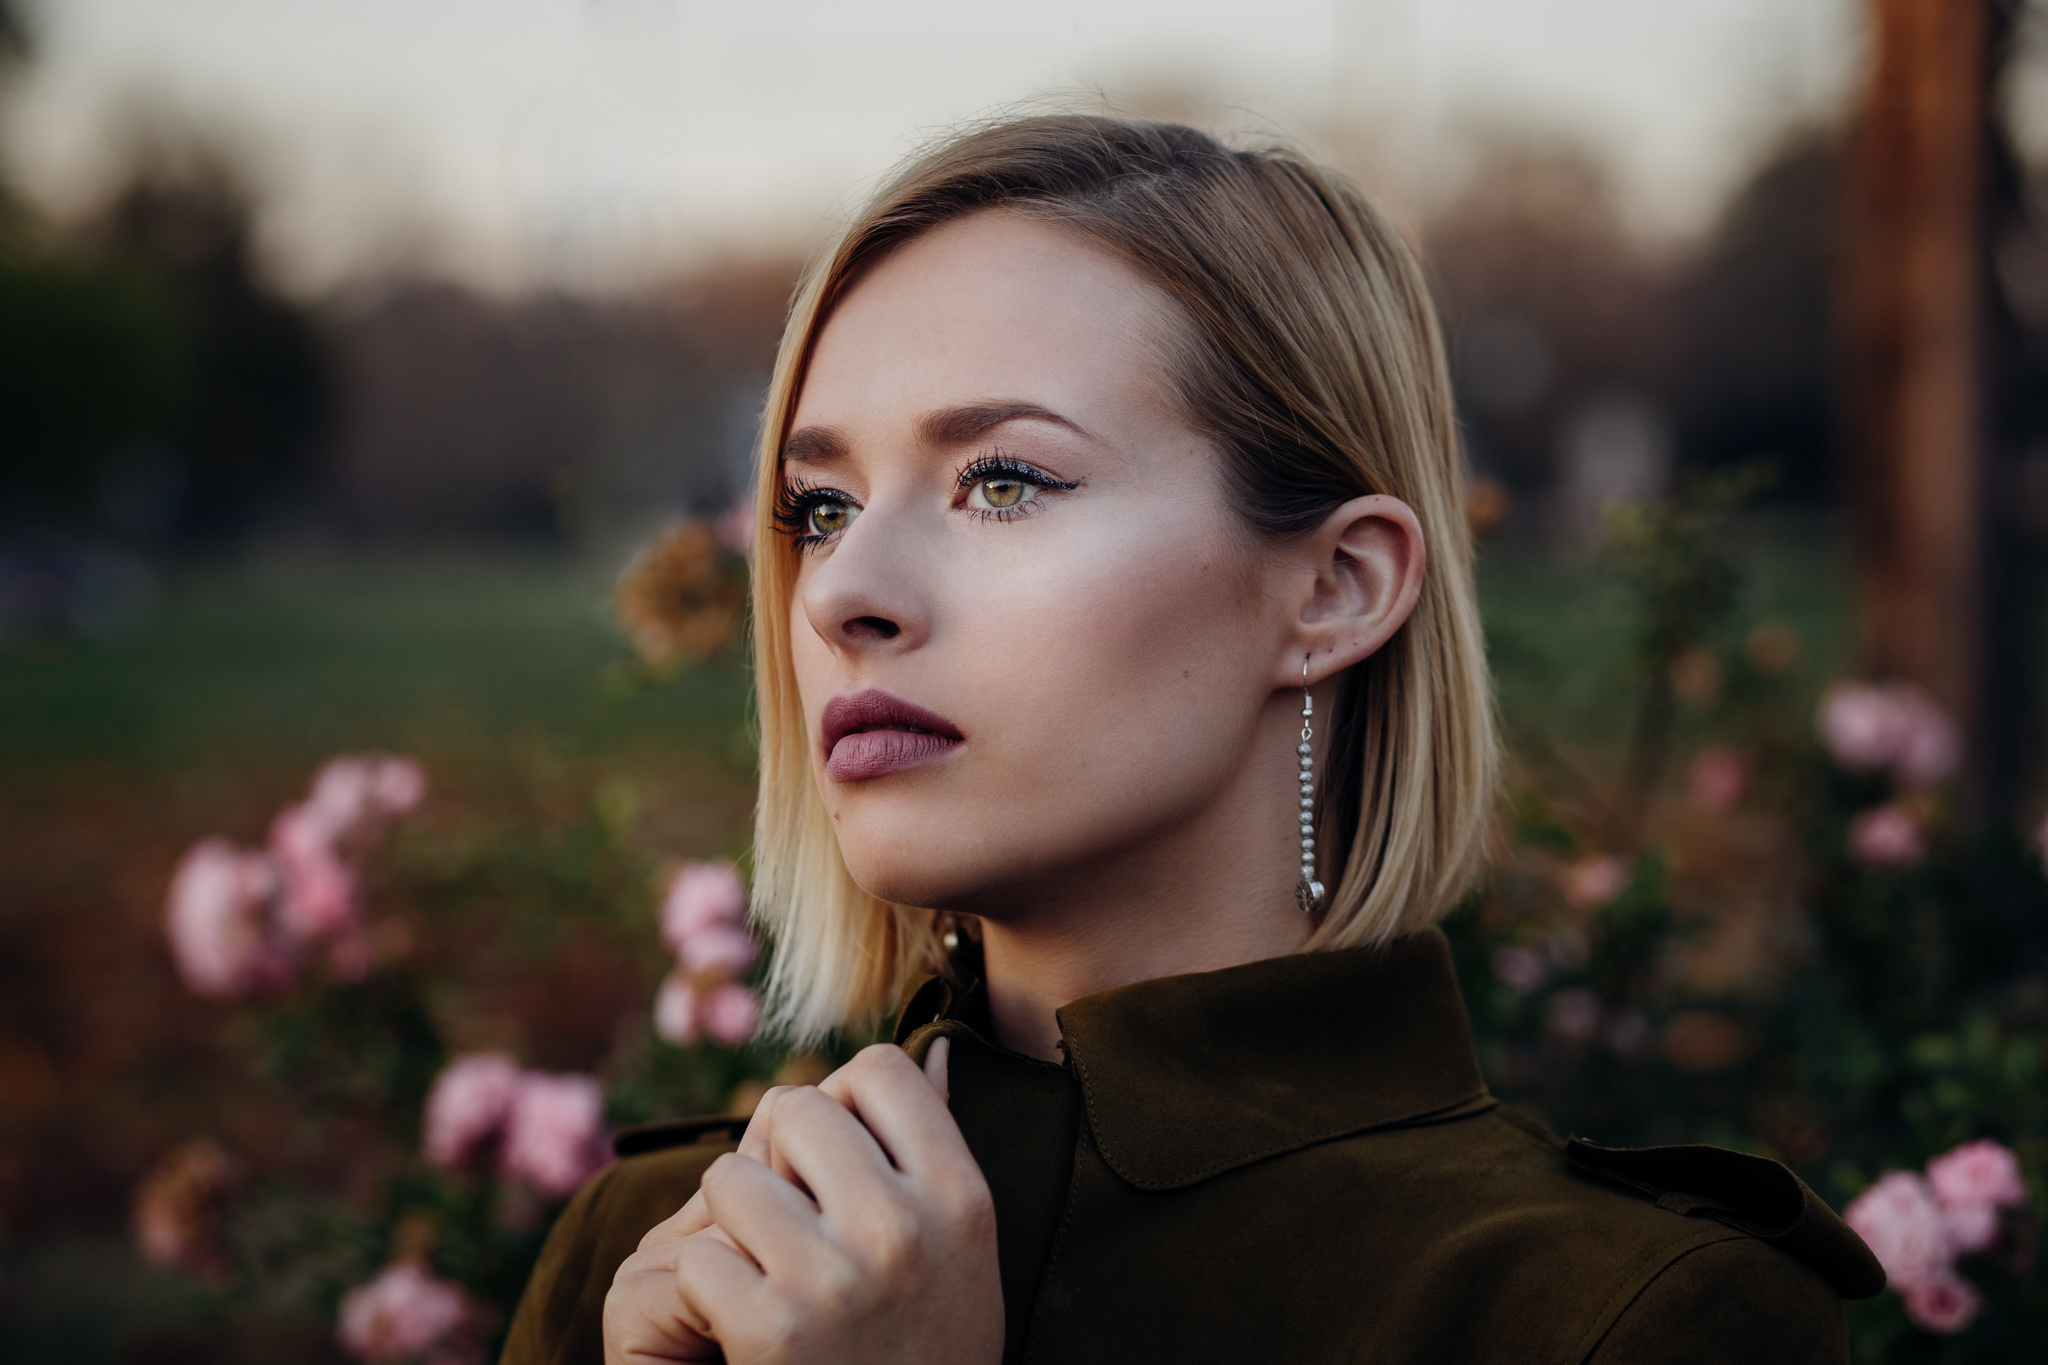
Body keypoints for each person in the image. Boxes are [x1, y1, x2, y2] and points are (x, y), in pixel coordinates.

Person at [501, 114, 1881, 1365]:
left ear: (1335, 589)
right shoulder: (664, 1254)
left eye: (1002, 480)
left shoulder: (1625, 1320)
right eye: (820, 506)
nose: (846, 590)